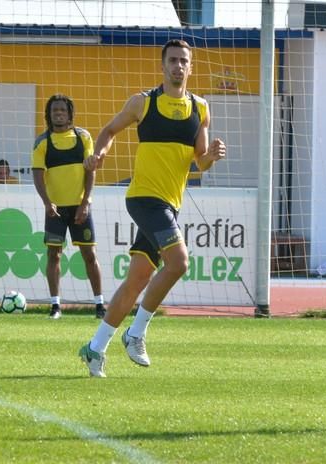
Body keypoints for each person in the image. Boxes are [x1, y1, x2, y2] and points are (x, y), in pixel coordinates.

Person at [78, 39, 226, 377]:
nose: (178, 66)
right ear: (163, 65)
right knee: (179, 262)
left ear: (191, 67)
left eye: (183, 61)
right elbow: (109, 130)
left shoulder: (200, 108)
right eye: (172, 60)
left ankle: (95, 348)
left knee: (137, 279)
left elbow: (199, 163)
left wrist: (211, 157)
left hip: (170, 204)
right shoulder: (142, 103)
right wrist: (100, 153)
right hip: (144, 198)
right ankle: (137, 332)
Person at [31, 94, 106, 320]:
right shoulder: (42, 142)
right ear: (49, 114)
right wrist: (47, 203)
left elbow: (90, 171)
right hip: (55, 209)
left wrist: (85, 202)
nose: (59, 113)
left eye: (63, 110)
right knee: (54, 255)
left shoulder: (83, 137)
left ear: (70, 113)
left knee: (89, 255)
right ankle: (55, 306)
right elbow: (37, 175)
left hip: (80, 207)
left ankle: (100, 305)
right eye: (55, 110)